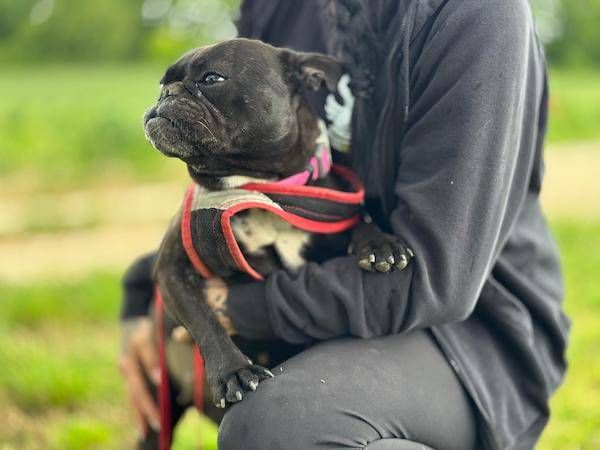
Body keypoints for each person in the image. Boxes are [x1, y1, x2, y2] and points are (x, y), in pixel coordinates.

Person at [118, 1, 570, 449]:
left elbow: (433, 281)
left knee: (280, 425)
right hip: (319, 296)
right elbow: (245, 181)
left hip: (471, 332)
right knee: (252, 406)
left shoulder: (477, 15)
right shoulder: (275, 8)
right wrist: (142, 300)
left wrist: (233, 309)